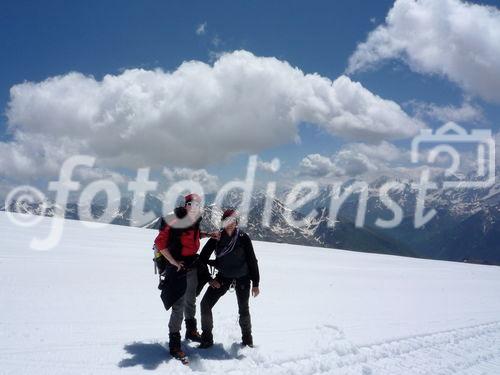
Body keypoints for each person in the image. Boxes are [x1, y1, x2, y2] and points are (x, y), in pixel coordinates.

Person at [154, 193, 219, 359]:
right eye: (192, 204)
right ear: (186, 204)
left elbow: (194, 237)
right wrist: (174, 262)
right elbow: (160, 243)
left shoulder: (194, 220)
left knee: (191, 300)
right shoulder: (175, 219)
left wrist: (208, 235)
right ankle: (174, 345)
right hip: (177, 269)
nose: (195, 207)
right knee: (178, 306)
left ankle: (191, 331)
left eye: (198, 205)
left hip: (191, 266)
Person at [198, 209, 260, 348]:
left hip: (243, 278)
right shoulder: (216, 238)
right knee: (205, 304)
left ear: (236, 222)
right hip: (222, 278)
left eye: (233, 221)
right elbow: (202, 259)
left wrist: (256, 283)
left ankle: (247, 339)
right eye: (227, 221)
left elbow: (252, 261)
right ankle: (207, 338)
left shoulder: (243, 237)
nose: (230, 224)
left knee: (243, 309)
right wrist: (209, 279)